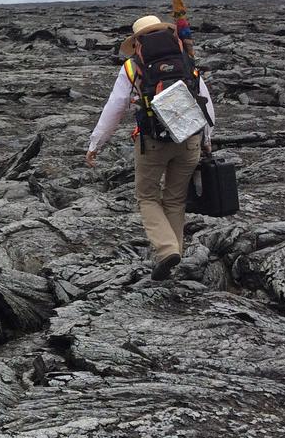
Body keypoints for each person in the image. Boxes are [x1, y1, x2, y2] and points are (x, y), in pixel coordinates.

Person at [85, 14, 215, 281]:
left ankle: (167, 250)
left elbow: (115, 108)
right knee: (176, 199)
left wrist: (96, 143)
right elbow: (206, 101)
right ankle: (173, 252)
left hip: (153, 141)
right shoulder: (186, 58)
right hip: (189, 138)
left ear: (137, 43)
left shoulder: (132, 67)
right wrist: (207, 138)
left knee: (147, 197)